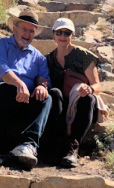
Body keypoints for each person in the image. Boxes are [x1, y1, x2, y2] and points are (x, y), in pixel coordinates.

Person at [0, 9, 52, 169]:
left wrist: (41, 86)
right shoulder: (1, 45)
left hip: (23, 101)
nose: (27, 34)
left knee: (46, 97)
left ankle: (28, 145)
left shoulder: (39, 58)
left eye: (31, 31)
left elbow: (45, 79)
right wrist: (20, 84)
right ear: (15, 28)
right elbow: (3, 72)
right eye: (24, 29)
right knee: (10, 89)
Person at [44, 18, 107, 168]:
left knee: (89, 99)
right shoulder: (48, 59)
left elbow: (97, 85)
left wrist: (89, 89)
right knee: (54, 93)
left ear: (72, 35)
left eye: (67, 33)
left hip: (80, 105)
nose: (62, 36)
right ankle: (58, 143)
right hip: (59, 105)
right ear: (53, 35)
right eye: (59, 32)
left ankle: (73, 146)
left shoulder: (84, 56)